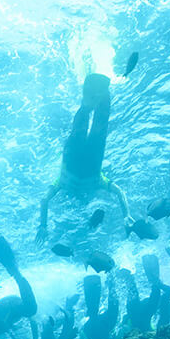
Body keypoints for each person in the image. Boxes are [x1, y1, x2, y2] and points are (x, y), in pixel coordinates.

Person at [37, 72, 130, 241]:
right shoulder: (95, 183)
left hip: (79, 159)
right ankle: (99, 97)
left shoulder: (63, 185)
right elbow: (119, 192)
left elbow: (45, 199)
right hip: (86, 160)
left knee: (94, 127)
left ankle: (92, 99)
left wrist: (43, 226)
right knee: (93, 127)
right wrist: (126, 215)